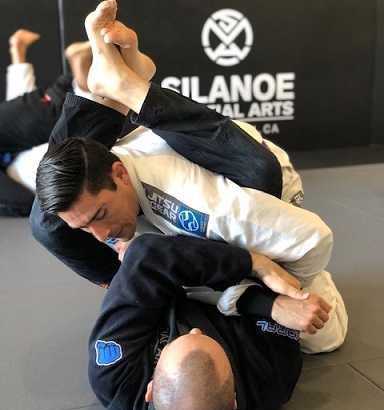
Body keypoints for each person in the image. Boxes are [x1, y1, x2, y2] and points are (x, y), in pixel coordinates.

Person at [32, 0, 347, 354]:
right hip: (163, 159)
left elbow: (315, 240)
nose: (102, 237)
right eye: (87, 227)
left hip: (251, 178)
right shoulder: (108, 177)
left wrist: (272, 292)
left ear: (118, 174)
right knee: (47, 224)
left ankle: (124, 91)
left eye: (100, 216)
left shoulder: (208, 212)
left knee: (323, 336)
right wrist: (132, 276)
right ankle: (116, 93)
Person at [89, 232, 304, 410]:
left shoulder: (114, 378)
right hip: (234, 272)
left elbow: (146, 253)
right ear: (234, 401)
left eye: (173, 343)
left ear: (150, 390)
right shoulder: (272, 377)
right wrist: (257, 283)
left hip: (171, 266)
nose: (195, 330)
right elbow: (285, 293)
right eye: (211, 340)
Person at [0, 29, 93, 216]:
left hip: (40, 115)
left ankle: (79, 64)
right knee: (48, 107)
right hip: (34, 107)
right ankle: (19, 51)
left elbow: (23, 202)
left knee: (87, 122)